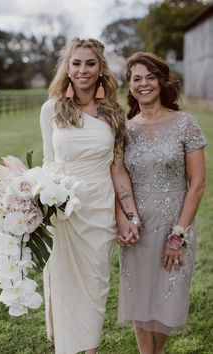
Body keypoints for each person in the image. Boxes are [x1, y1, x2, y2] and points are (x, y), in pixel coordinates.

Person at [39, 37, 139, 354]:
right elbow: (48, 161)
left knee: (95, 289)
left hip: (99, 211)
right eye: (76, 63)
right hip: (62, 212)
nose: (83, 70)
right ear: (67, 68)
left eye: (90, 63)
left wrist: (127, 214)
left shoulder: (113, 113)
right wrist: (37, 199)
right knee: (66, 289)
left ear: (100, 70)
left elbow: (118, 168)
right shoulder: (51, 110)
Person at [116, 52, 207, 354]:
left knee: (167, 300)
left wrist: (177, 235)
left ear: (161, 80)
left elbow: (197, 185)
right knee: (141, 301)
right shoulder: (124, 130)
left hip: (174, 227)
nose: (144, 84)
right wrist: (127, 219)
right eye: (136, 79)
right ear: (129, 86)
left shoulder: (185, 124)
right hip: (138, 229)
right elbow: (118, 180)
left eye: (149, 77)